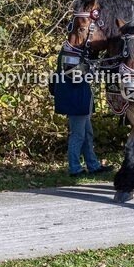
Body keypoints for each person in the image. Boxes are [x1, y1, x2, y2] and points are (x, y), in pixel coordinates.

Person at [48, 44, 107, 177]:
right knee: (78, 135)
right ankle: (75, 168)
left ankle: (93, 165)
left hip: (80, 99)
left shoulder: (74, 52)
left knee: (87, 134)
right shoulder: (71, 53)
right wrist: (92, 70)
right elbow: (76, 77)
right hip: (75, 100)